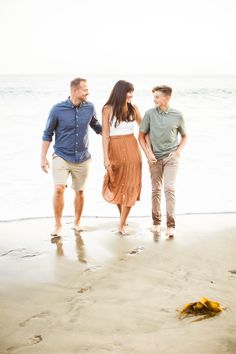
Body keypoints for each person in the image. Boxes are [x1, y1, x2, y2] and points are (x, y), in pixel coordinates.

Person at [41, 77, 102, 237]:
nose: (88, 92)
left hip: (82, 158)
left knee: (80, 191)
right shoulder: (57, 109)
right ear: (75, 91)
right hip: (61, 155)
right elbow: (47, 133)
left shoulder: (90, 107)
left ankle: (77, 222)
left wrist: (118, 135)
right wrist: (43, 157)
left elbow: (97, 127)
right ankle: (58, 225)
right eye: (85, 89)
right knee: (59, 189)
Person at [139, 85, 187, 238]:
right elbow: (141, 136)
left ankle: (171, 225)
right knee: (155, 190)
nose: (154, 100)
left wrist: (178, 152)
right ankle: (156, 222)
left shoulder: (177, 115)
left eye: (157, 97)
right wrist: (148, 154)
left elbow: (185, 136)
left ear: (167, 97)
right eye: (154, 97)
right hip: (154, 159)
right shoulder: (149, 114)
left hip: (171, 158)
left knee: (169, 188)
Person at [102, 80, 142, 235]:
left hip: (132, 149)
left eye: (132, 92)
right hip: (114, 150)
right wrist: (105, 157)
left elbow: (144, 128)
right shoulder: (107, 109)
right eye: (128, 91)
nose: (131, 95)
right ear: (120, 93)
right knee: (116, 184)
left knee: (131, 185)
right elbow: (105, 135)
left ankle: (121, 224)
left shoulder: (134, 109)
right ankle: (122, 220)